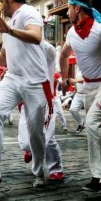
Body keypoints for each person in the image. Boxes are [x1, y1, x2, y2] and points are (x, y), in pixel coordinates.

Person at [0, 0, 51, 192]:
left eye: (1, 2)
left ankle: (39, 172)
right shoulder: (8, 24)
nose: (0, 6)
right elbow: (4, 56)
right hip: (13, 78)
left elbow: (35, 36)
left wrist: (8, 30)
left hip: (35, 81)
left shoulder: (29, 12)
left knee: (35, 132)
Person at [60, 0, 101, 192]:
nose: (67, 12)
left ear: (77, 8)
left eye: (68, 7)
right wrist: (64, 78)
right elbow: (63, 55)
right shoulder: (71, 32)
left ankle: (99, 176)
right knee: (96, 127)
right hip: (88, 87)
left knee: (92, 124)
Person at [18, 41, 65, 182]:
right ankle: (30, 149)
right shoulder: (21, 54)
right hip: (28, 100)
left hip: (48, 100)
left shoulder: (47, 50)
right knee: (26, 141)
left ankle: (56, 168)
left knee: (49, 139)